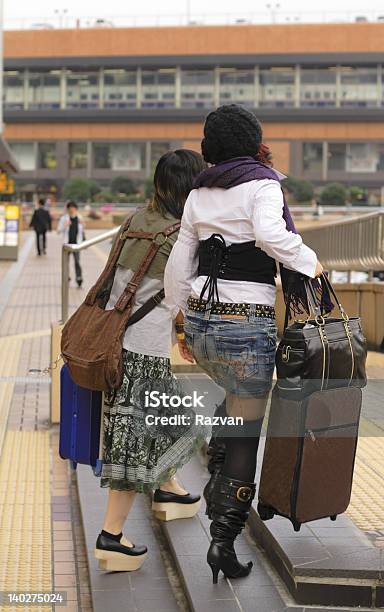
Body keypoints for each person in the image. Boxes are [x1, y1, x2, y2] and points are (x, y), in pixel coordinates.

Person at [164, 104, 323, 583]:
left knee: (233, 407)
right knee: (244, 436)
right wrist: (310, 262)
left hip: (202, 323)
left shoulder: (200, 193)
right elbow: (273, 235)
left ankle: (217, 489)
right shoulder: (263, 184)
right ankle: (222, 541)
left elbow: (180, 263)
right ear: (254, 141)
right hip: (246, 326)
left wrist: (180, 320)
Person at [94, 150, 207, 573]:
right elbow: (182, 295)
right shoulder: (181, 234)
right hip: (142, 352)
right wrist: (189, 333)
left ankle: (168, 487)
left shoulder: (134, 221)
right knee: (131, 445)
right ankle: (111, 536)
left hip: (118, 342)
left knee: (175, 421)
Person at [57, 201, 85, 287]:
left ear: (76, 209)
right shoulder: (64, 218)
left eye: (73, 208)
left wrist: (83, 225)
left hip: (76, 245)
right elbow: (58, 231)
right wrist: (65, 225)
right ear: (68, 209)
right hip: (67, 245)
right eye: (70, 208)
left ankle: (79, 278)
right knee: (66, 262)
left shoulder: (80, 218)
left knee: (77, 262)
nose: (72, 210)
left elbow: (82, 231)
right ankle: (66, 277)